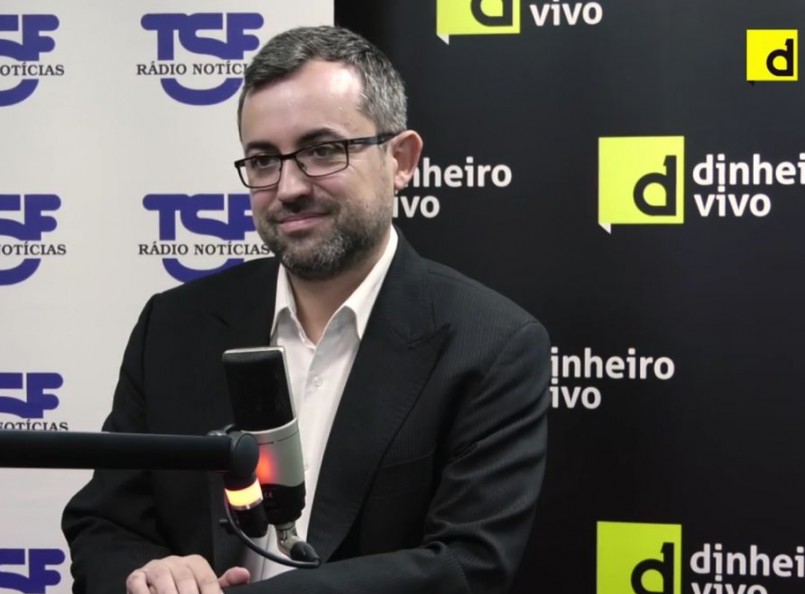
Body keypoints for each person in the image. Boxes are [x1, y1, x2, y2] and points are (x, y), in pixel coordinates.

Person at [62, 25, 550, 594]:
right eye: (263, 160)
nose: (288, 187)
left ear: (401, 160)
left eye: (322, 151)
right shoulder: (172, 326)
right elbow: (104, 525)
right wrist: (147, 574)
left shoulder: (490, 343)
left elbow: (466, 566)